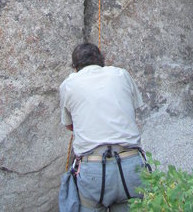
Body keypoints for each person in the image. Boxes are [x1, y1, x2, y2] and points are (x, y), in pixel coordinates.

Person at [59, 43, 147, 212]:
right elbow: (131, 109)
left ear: (75, 67)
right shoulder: (121, 75)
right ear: (101, 59)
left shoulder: (69, 84)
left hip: (94, 169)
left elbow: (70, 126)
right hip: (129, 163)